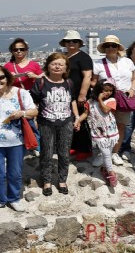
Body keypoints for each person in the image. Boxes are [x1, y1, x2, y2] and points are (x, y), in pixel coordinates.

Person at [0, 65, 37, 212]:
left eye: (0, 77)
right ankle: (0, 199)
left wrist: (22, 113)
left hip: (16, 140)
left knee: (15, 172)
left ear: (7, 77)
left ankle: (14, 198)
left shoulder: (21, 93)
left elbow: (34, 111)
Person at [30, 52, 80, 196]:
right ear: (48, 66)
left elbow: (73, 101)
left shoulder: (69, 83)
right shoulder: (40, 82)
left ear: (66, 68)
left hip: (66, 121)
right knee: (47, 152)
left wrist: (76, 117)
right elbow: (33, 102)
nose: (57, 67)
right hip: (46, 122)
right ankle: (46, 181)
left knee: (64, 153)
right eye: (54, 64)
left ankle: (62, 180)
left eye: (61, 64)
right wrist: (34, 119)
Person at [92, 35, 135, 166]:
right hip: (107, 99)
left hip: (124, 98)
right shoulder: (98, 64)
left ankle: (115, 153)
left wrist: (132, 89)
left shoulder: (127, 62)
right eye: (107, 45)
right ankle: (103, 152)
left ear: (118, 47)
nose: (110, 48)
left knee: (121, 126)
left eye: (113, 45)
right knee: (104, 126)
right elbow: (94, 82)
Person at [77, 79, 119, 186]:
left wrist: (100, 100)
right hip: (98, 131)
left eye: (110, 91)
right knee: (105, 153)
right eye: (105, 90)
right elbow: (86, 113)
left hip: (110, 130)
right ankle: (111, 172)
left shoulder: (112, 100)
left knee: (108, 152)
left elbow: (106, 110)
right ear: (99, 89)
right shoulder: (90, 102)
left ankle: (105, 169)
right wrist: (77, 120)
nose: (108, 93)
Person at [60, 31, 93, 161]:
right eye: (69, 41)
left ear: (79, 43)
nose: (71, 43)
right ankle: (74, 145)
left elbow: (87, 76)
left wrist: (82, 94)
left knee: (81, 121)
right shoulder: (64, 56)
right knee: (69, 120)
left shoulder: (84, 57)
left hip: (78, 94)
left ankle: (85, 149)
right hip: (66, 94)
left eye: (74, 41)